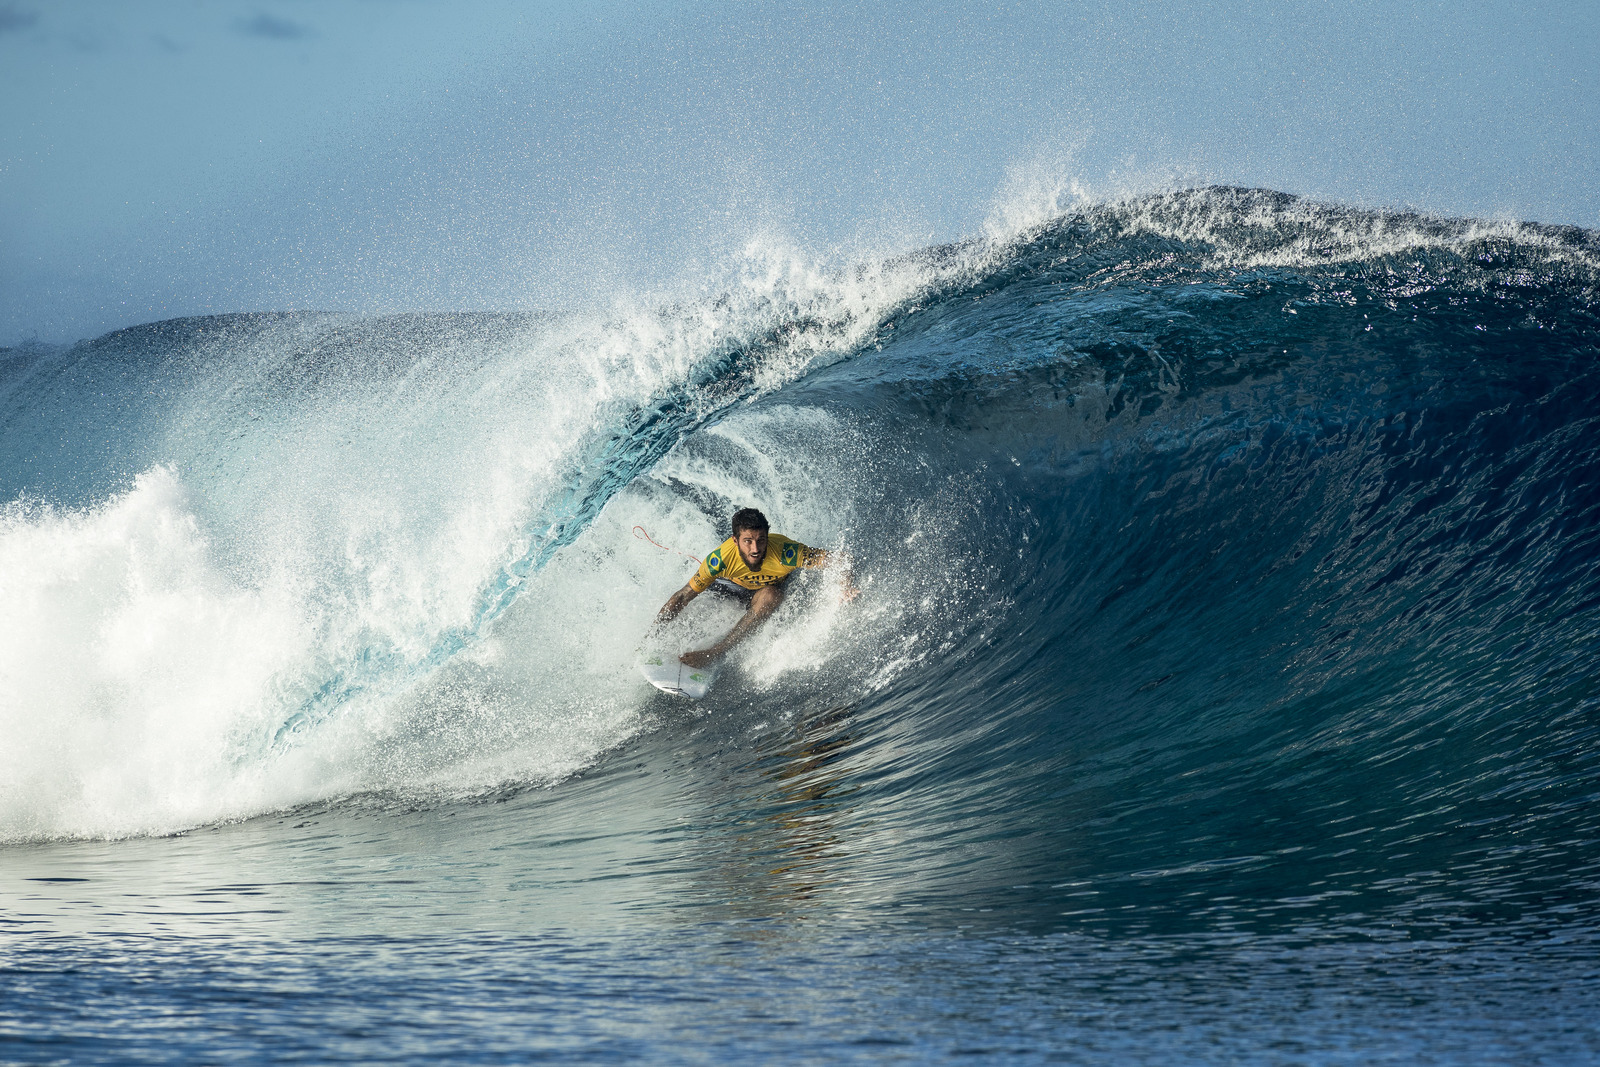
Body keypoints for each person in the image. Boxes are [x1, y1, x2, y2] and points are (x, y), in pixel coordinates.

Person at [655, 507, 856, 668]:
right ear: (735, 540)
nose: (755, 549)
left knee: (771, 595)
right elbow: (682, 597)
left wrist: (844, 587)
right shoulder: (719, 560)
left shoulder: (786, 553)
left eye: (761, 540)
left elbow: (841, 560)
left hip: (761, 594)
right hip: (730, 588)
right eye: (748, 541)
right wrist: (651, 638)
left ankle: (716, 652)